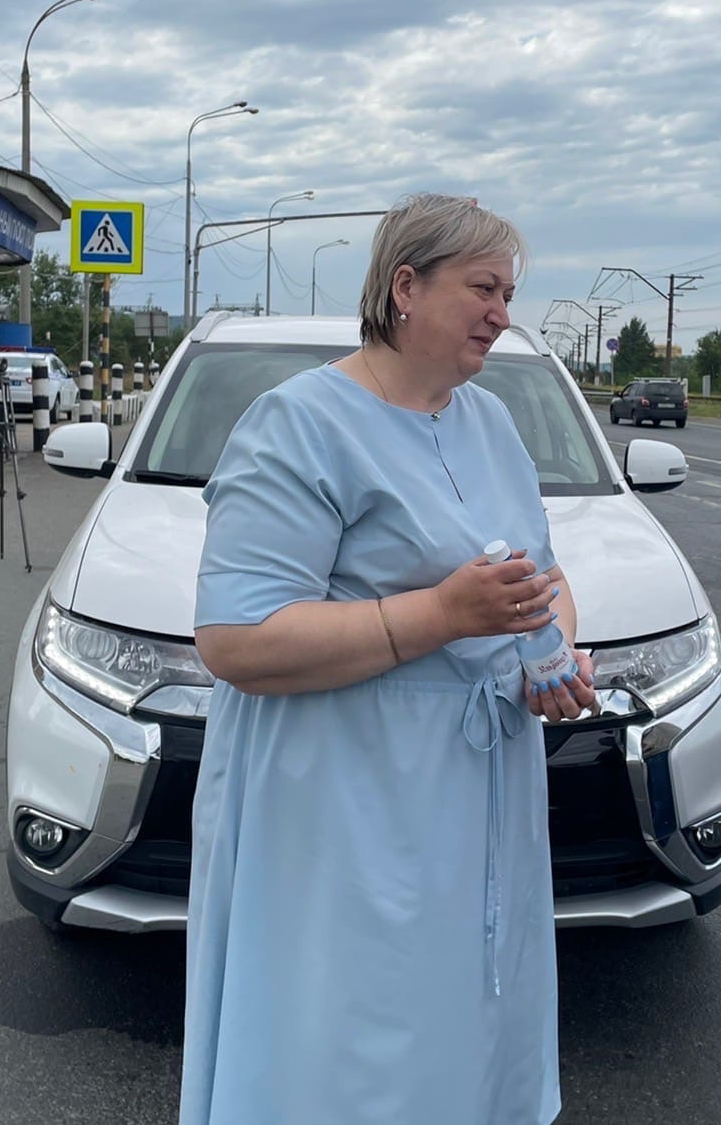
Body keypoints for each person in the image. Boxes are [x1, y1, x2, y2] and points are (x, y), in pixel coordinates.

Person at [181, 193, 597, 1125]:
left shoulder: (488, 422)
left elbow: (540, 570)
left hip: (472, 802)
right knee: (355, 1034)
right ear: (405, 286)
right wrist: (446, 615)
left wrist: (550, 655)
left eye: (509, 291)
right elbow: (236, 638)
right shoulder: (297, 425)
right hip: (349, 802)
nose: (503, 311)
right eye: (484, 288)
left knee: (464, 1029)